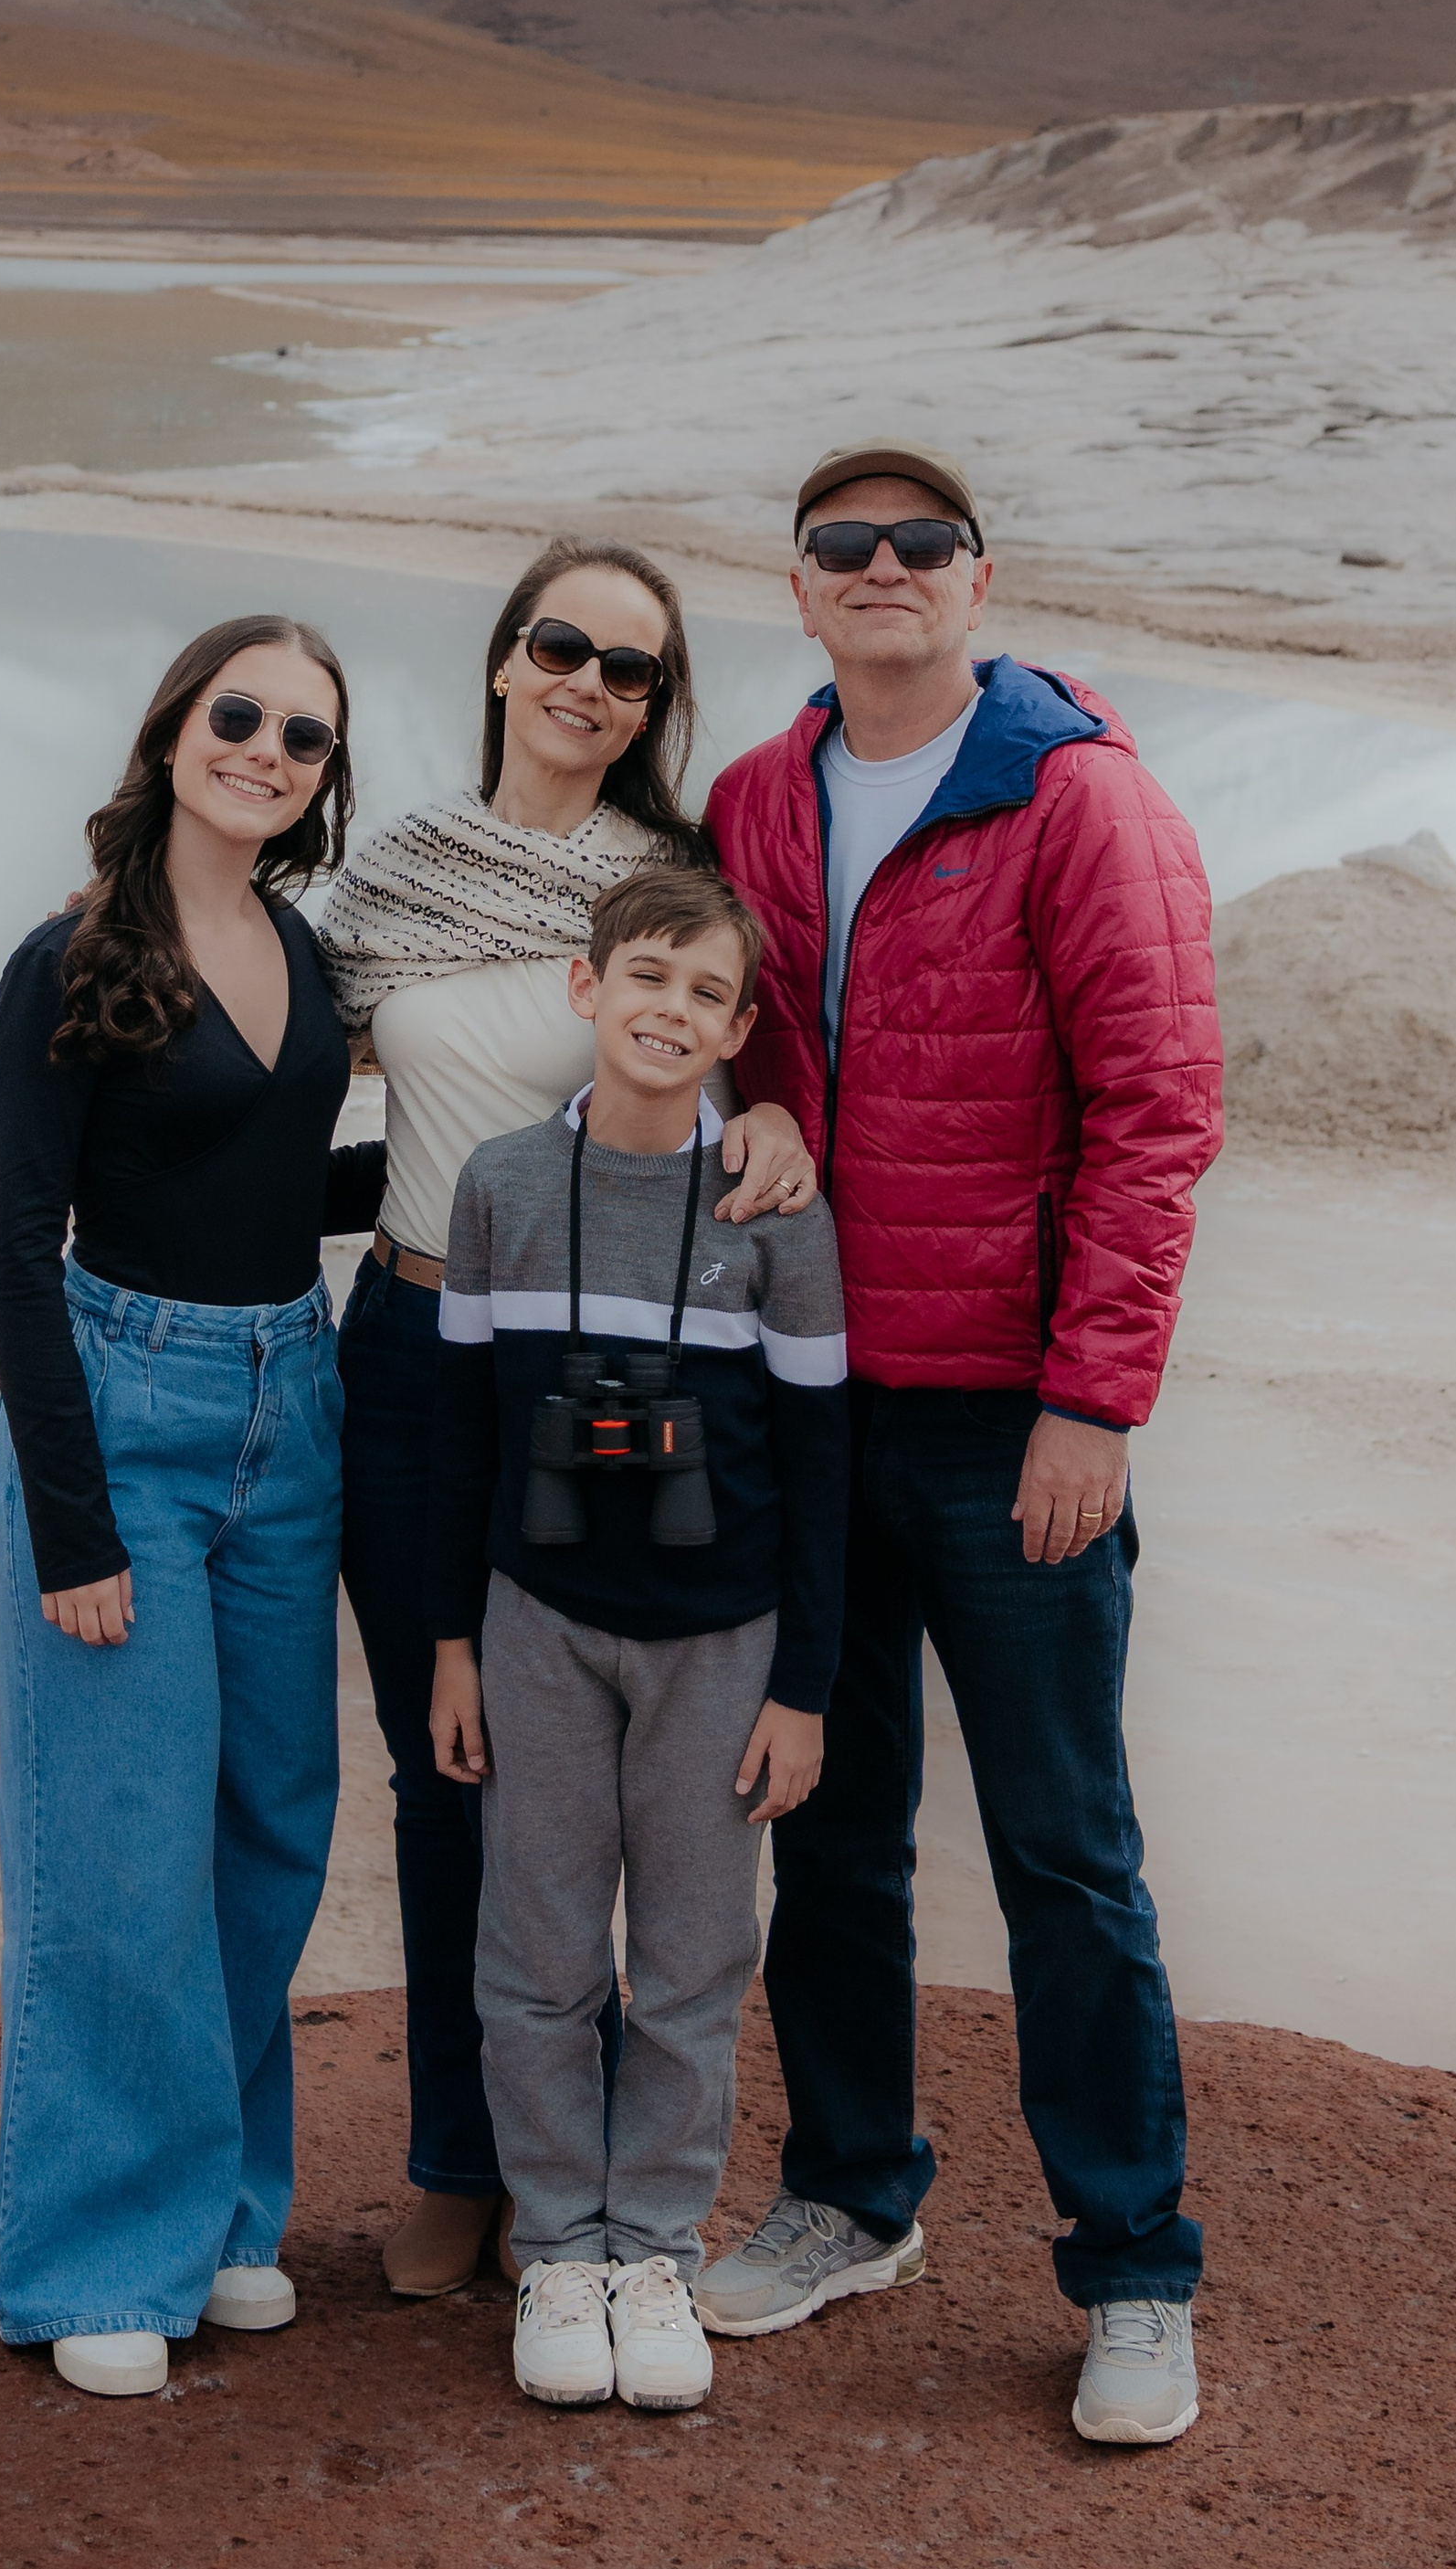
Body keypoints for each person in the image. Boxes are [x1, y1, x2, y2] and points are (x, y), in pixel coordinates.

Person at [697, 440, 1224, 2449]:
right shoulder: (758, 794)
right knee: (824, 1829)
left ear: (978, 582)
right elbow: (723, 1050)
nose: (884, 568)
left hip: (1011, 1425)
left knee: (1061, 1852)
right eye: (846, 546)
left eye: (921, 543)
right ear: (805, 588)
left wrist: (1092, 1398)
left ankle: (1130, 2266)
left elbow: (1154, 1113)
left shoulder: (1076, 798)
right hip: (813, 1409)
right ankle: (849, 2190)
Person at [314, 541, 816, 2298]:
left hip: (627, 1375)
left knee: (639, 1802)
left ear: (654, 704)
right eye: (562, 645)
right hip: (411, 1344)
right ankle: (472, 2158)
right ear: (509, 659)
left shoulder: (668, 892)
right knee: (452, 1765)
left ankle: (623, 2192)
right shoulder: (387, 883)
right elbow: (280, 1070)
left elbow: (736, 1074)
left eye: (633, 668)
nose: (592, 683)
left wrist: (781, 1131)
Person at [0, 615, 386, 2401]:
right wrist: (72, 1524)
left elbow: (286, 1176)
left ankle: (220, 2213)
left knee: (267, 1820)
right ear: (170, 732)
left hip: (292, 1399)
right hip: (121, 1409)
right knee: (118, 1849)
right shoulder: (66, 957)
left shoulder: (296, 943)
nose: (266, 750)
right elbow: (9, 1252)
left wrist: (561, 1148)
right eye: (238, 715)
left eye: (302, 735)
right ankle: (95, 2260)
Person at [426, 864, 849, 2416]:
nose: (672, 1008)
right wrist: (454, 1641)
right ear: (586, 989)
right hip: (535, 1626)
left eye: (708, 992)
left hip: (720, 1643)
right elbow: (463, 1441)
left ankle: (653, 2244)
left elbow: (822, 1468)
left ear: (741, 1027)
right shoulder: (500, 1187)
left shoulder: (774, 1211)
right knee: (534, 1953)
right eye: (648, 975)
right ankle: (557, 2247)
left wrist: (803, 1682)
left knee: (689, 1957)